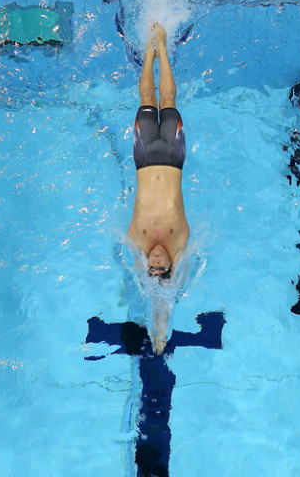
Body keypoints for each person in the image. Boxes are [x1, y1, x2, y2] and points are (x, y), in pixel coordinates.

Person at [128, 23, 189, 354]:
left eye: (149, 266)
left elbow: (150, 286)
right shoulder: (178, 238)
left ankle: (149, 53)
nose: (154, 259)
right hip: (174, 156)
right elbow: (165, 299)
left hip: (144, 156)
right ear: (170, 266)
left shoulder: (137, 237)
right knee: (168, 98)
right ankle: (163, 48)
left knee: (146, 98)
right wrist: (161, 330)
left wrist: (153, 331)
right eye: (159, 266)